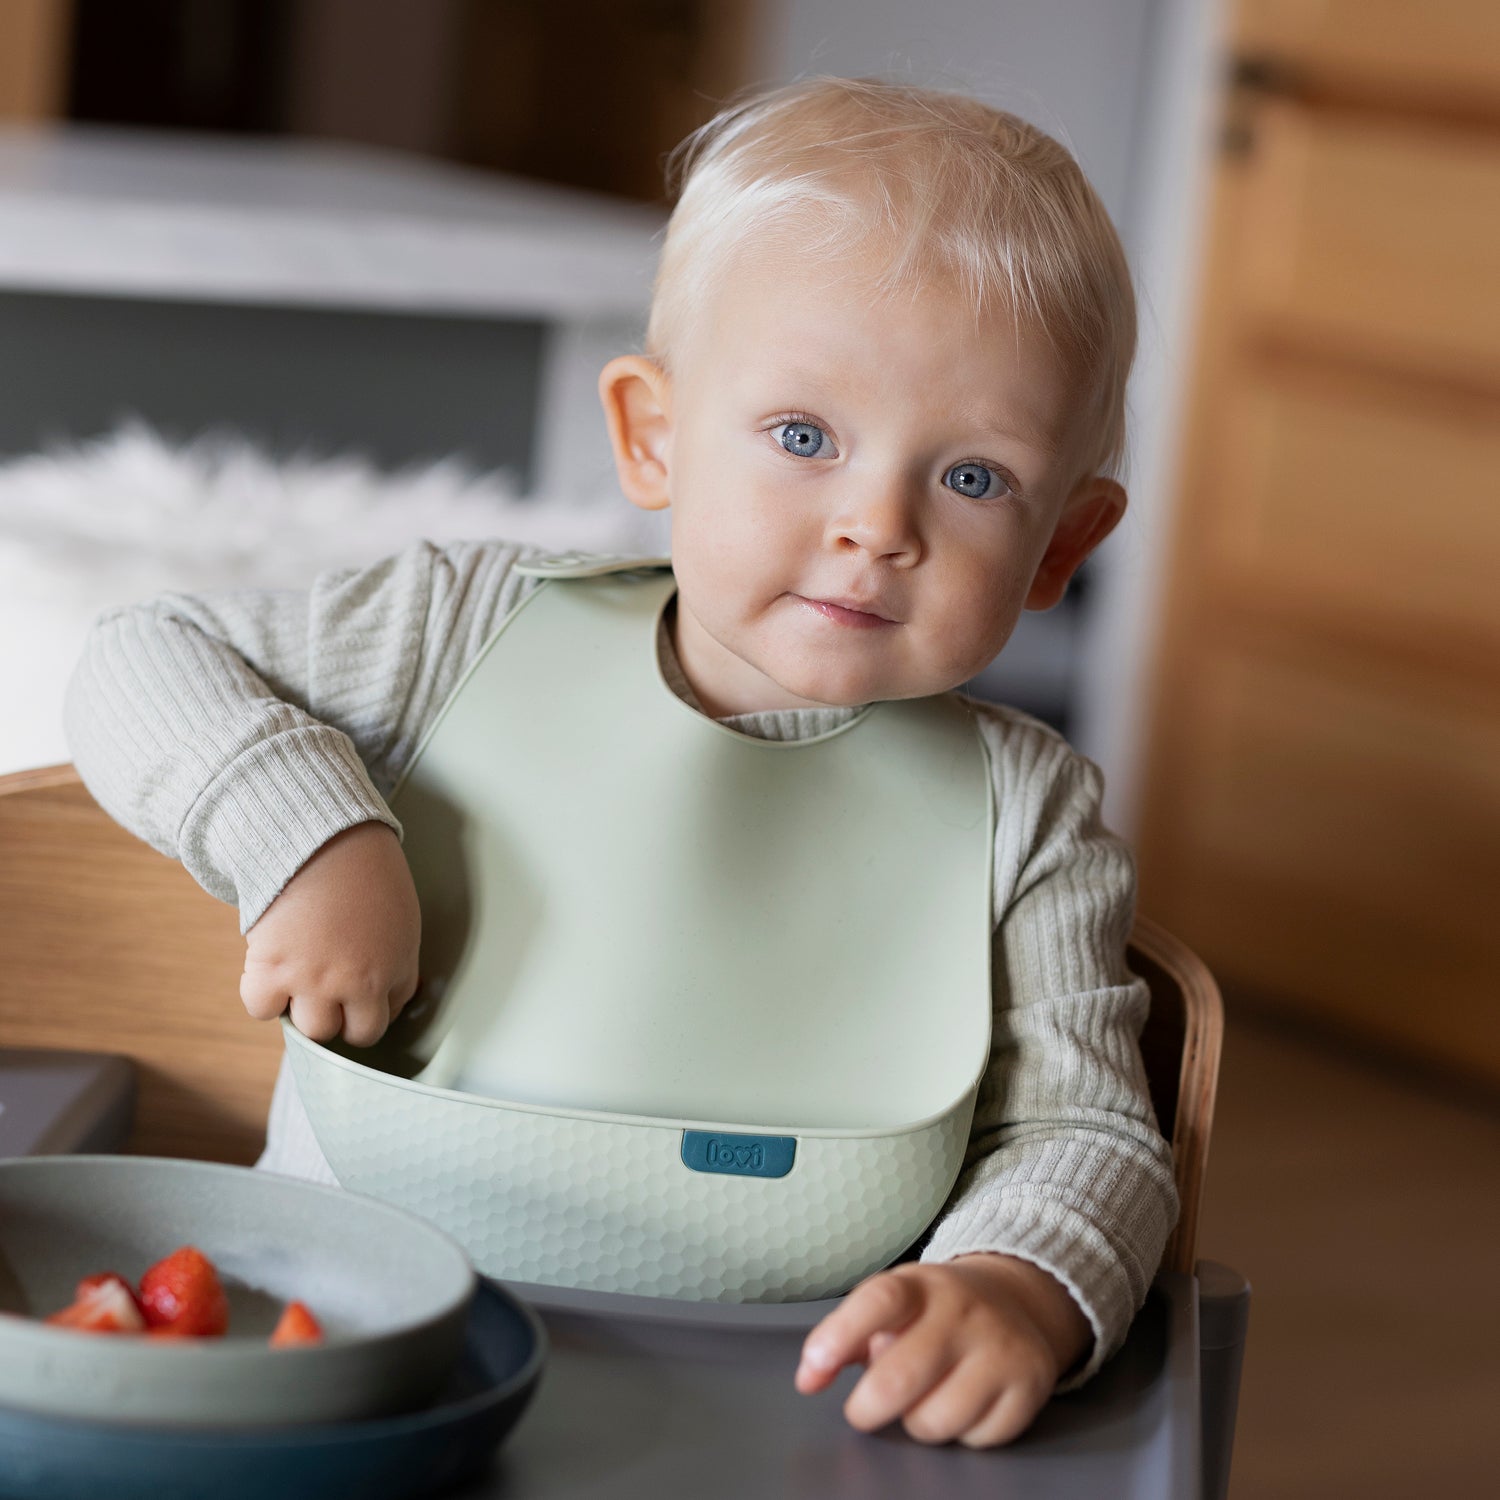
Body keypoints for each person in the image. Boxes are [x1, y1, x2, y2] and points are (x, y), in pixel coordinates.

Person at [64, 77, 1176, 1448]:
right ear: (654, 434)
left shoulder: (1034, 817)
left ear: (1064, 544)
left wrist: (1017, 1283)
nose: (876, 525)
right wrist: (310, 838)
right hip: (347, 1375)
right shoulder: (454, 629)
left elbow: (1092, 1137)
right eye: (805, 437)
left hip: (783, 1418)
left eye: (973, 479)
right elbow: (138, 658)